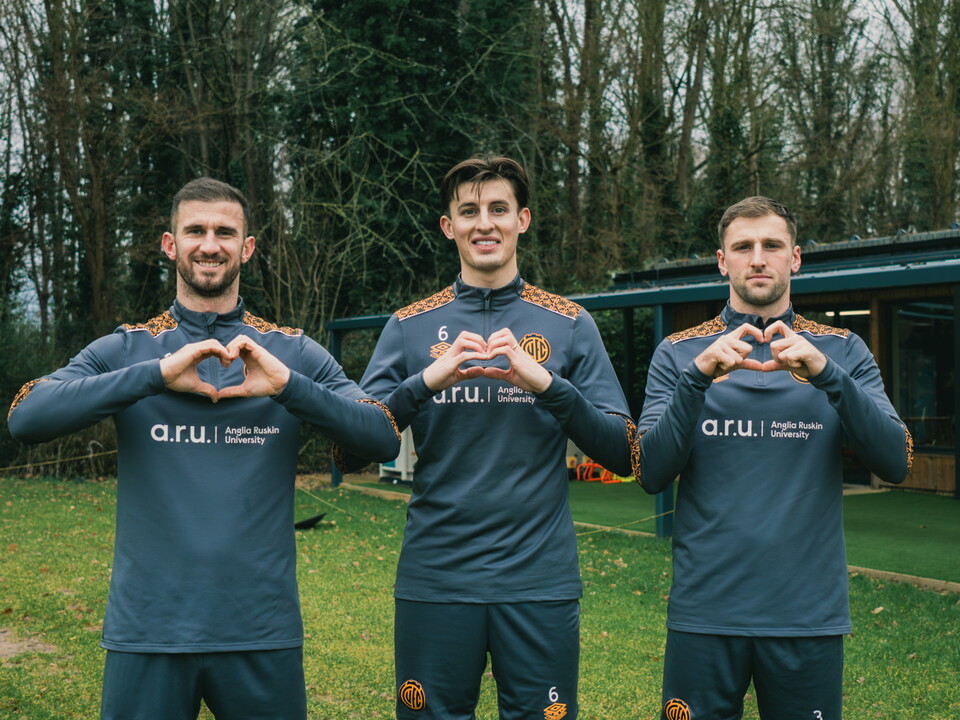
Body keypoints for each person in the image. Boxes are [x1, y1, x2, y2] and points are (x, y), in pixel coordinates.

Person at [7, 177, 401, 720]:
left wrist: (289, 387)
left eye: (224, 231)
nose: (209, 244)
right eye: (195, 230)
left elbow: (380, 434)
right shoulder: (128, 348)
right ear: (171, 244)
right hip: (148, 631)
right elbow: (26, 416)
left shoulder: (291, 352)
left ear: (247, 247)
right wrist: (156, 375)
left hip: (261, 631)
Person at [342, 156, 634, 720]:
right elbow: (350, 448)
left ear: (522, 219)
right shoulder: (408, 326)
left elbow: (624, 451)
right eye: (468, 211)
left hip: (539, 581)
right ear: (448, 226)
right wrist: (424, 382)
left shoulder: (570, 322)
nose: (485, 224)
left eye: (498, 209)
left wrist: (547, 384)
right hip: (436, 580)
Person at [633, 196, 913, 720]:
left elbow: (896, 461)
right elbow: (650, 471)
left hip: (807, 616)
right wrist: (697, 380)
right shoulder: (678, 352)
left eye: (772, 245)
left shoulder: (842, 349)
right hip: (705, 614)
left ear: (796, 258)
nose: (757, 258)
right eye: (743, 246)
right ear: (723, 262)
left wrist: (828, 375)